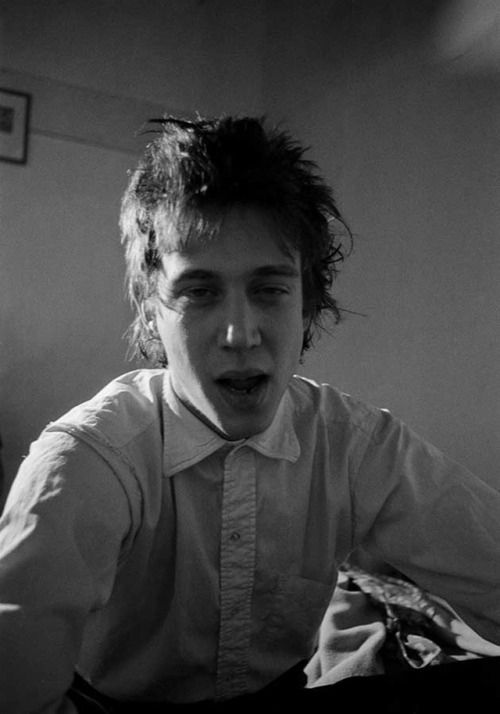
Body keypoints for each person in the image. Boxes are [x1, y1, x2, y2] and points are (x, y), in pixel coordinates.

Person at [0, 115, 499, 714]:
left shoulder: (358, 446)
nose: (240, 335)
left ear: (308, 303)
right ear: (151, 307)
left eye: (269, 289)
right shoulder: (86, 463)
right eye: (200, 292)